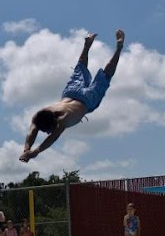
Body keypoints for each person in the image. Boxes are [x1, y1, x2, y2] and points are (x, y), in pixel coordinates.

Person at [21, 30, 124, 162]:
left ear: (53, 123)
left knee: (106, 75)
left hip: (87, 100)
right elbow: (33, 130)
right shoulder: (40, 115)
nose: (47, 132)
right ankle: (87, 45)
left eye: (48, 130)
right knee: (80, 67)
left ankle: (118, 48)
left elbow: (52, 138)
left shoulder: (62, 120)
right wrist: (26, 149)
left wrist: (35, 151)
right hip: (70, 93)